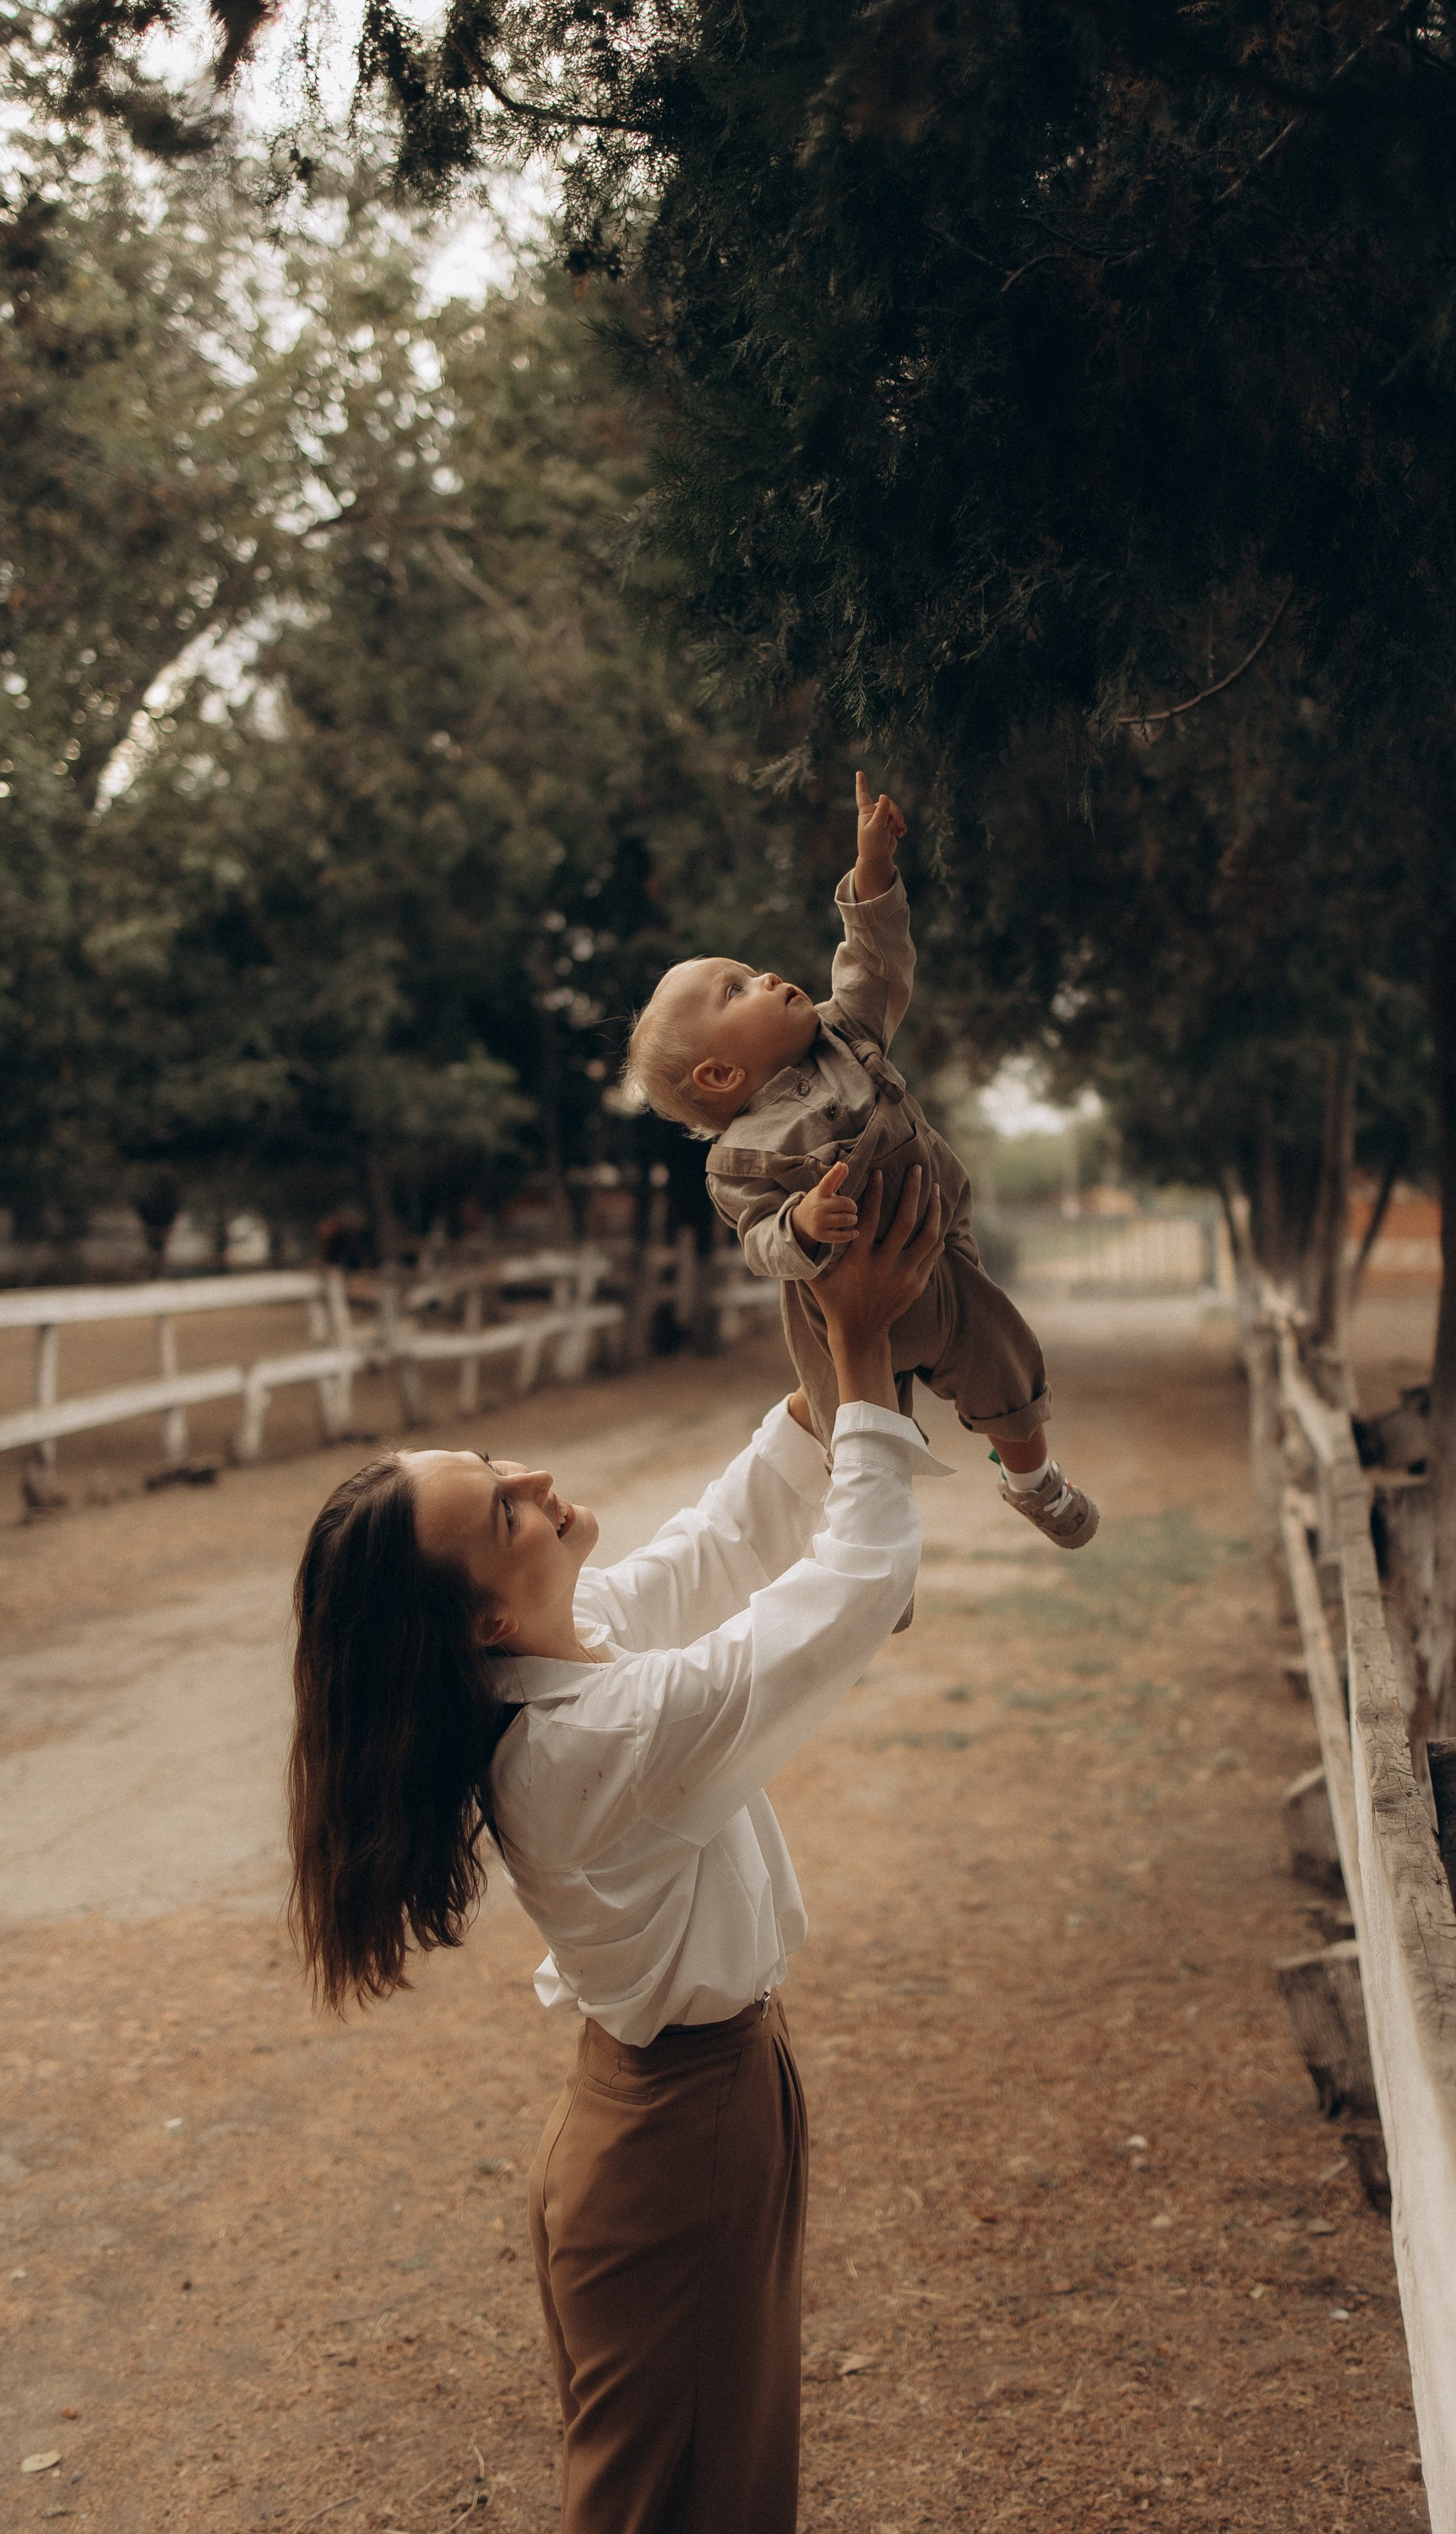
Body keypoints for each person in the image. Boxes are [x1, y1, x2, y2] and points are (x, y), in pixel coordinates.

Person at [286, 1166, 948, 2534]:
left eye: (499, 1465)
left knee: (702, 2491)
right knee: (659, 2508)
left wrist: (826, 1329)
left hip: (678, 2116)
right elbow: (848, 1592)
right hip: (678, 2140)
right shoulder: (593, 1747)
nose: (535, 1481)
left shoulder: (561, 1669)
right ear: (479, 1619)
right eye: (504, 1510)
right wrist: (868, 1353)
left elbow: (724, 1544)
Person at [624, 770, 1100, 1551]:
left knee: (1004, 1360)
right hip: (835, 1311)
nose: (767, 976)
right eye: (735, 990)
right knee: (855, 1436)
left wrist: (872, 870)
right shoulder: (739, 1159)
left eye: (749, 968)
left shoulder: (844, 1033)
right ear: (719, 1077)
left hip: (938, 1260)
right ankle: (866, 1553)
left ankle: (1035, 1482)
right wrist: (802, 1224)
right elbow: (760, 1241)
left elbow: (874, 959)